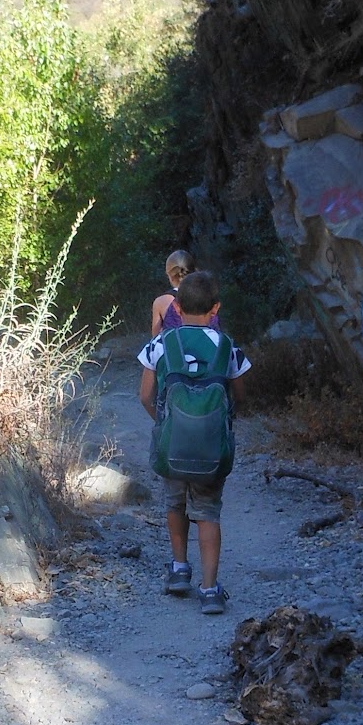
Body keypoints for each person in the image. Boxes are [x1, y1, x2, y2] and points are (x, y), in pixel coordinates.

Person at [138, 269, 250, 615]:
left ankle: (179, 569)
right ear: (215, 308)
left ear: (177, 306)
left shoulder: (160, 343)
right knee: (208, 511)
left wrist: (167, 424)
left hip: (172, 446)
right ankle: (210, 589)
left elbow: (145, 396)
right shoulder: (228, 346)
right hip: (212, 449)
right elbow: (241, 395)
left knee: (175, 504)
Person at [149, 250, 222, 338]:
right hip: (208, 347)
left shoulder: (161, 302)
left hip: (175, 350)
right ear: (194, 271)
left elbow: (156, 338)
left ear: (169, 275)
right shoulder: (205, 295)